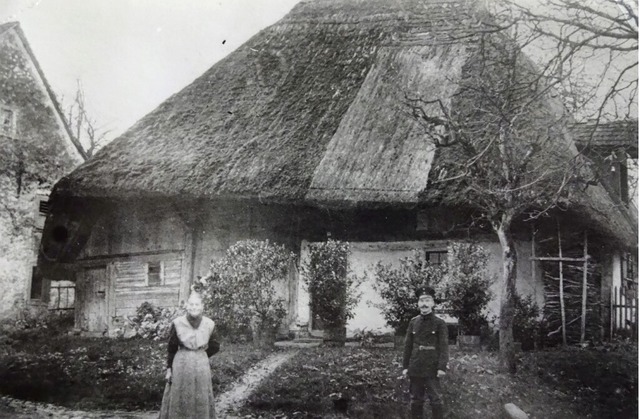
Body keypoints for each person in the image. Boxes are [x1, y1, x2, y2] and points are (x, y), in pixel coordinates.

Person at [159, 292, 220, 419]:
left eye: (197, 304)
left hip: (201, 364)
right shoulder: (178, 323)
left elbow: (215, 346)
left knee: (201, 394)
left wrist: (201, 355)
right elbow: (171, 348)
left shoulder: (209, 324)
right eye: (191, 304)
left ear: (202, 306)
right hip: (181, 363)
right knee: (180, 394)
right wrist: (169, 369)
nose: (194, 307)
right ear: (187, 306)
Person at [402, 287, 449, 419]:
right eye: (421, 300)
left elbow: (444, 347)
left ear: (433, 303)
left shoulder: (440, 323)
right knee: (416, 399)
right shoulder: (413, 322)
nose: (424, 304)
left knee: (436, 399)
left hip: (432, 367)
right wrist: (405, 366)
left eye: (427, 300)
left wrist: (441, 367)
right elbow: (408, 346)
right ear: (418, 303)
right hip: (416, 365)